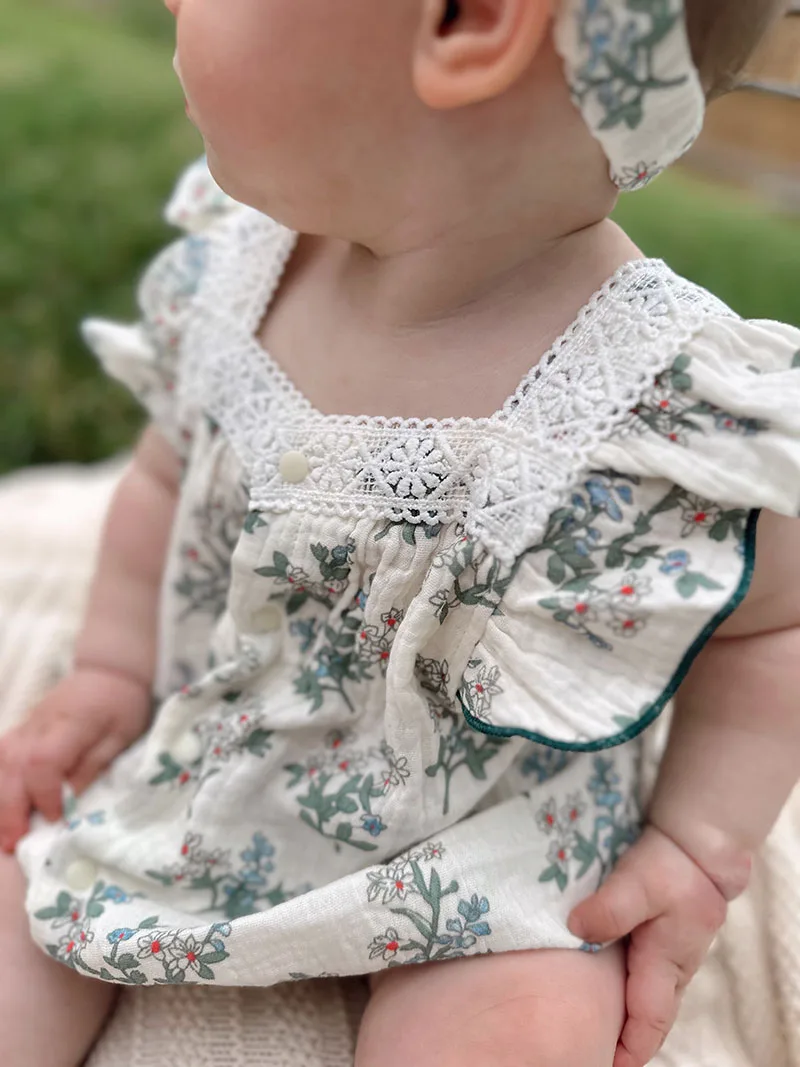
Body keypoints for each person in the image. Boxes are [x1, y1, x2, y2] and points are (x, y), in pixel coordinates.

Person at [0, 0, 796, 1064]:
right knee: (20, 901)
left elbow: (774, 621)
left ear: (469, 24)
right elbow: (161, 474)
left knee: (519, 1020)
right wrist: (109, 667)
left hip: (488, 833)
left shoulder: (644, 397)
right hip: (208, 757)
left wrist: (699, 846)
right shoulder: (243, 277)